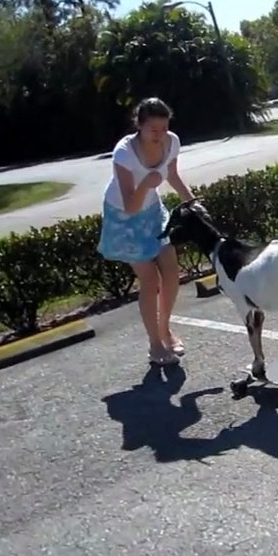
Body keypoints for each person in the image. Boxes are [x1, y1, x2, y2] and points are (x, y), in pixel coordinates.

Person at [97, 97, 197, 366]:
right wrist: (146, 184)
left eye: (164, 128)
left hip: (153, 211)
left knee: (172, 270)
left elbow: (173, 176)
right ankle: (155, 346)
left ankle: (164, 329)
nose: (160, 135)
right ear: (139, 126)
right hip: (124, 218)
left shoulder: (172, 141)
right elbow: (130, 205)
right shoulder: (124, 153)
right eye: (154, 130)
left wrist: (193, 203)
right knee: (150, 280)